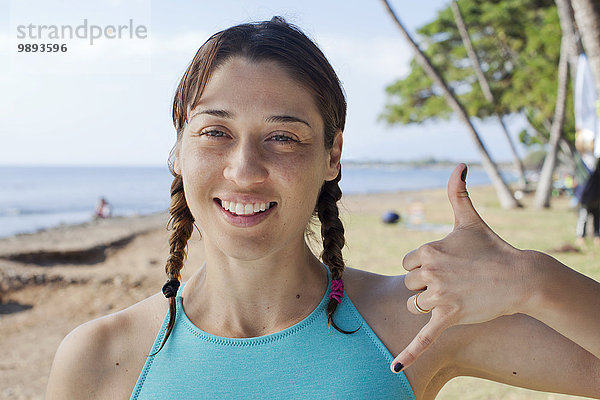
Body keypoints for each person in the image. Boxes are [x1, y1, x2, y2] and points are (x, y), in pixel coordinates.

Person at [46, 18, 600, 399]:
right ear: (178, 150)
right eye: (215, 132)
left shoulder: (414, 323)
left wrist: (533, 278)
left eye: (283, 138)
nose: (243, 169)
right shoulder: (101, 356)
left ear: (332, 155)